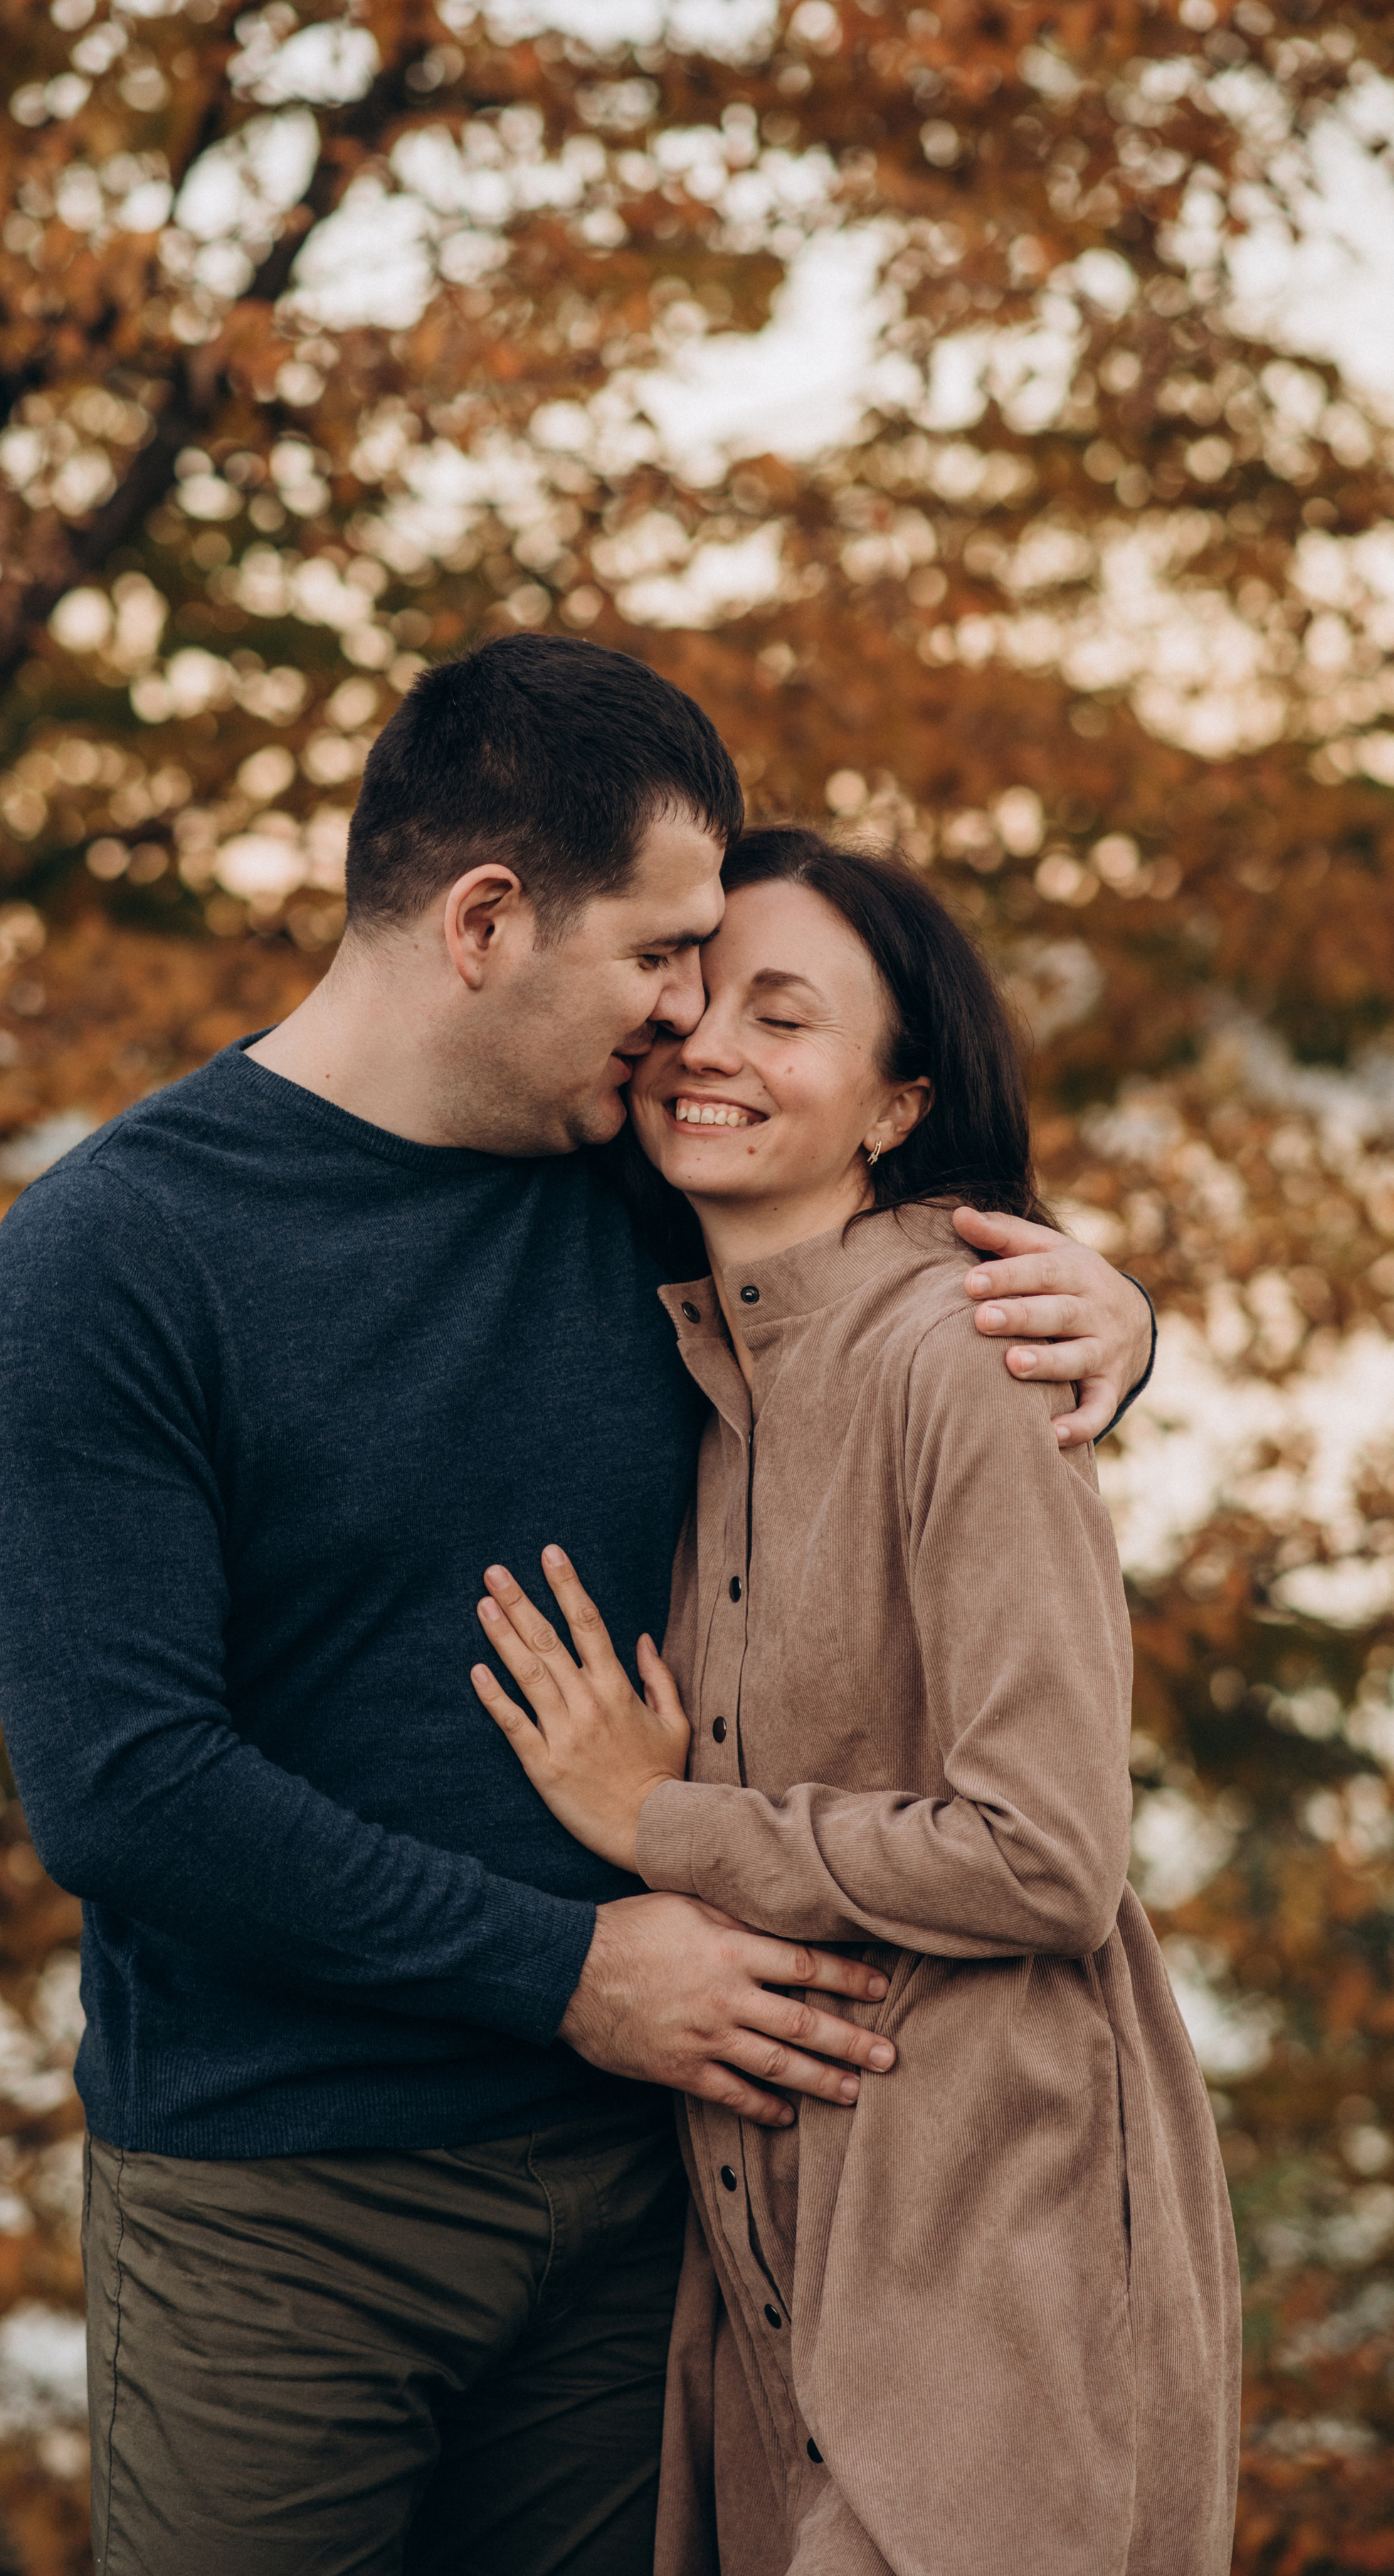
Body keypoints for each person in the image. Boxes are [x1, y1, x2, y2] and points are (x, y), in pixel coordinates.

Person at [0, 640, 1158, 2576]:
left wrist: (1116, 1320)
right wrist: (573, 1974)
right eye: (660, 955)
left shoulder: (637, 1188)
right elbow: (127, 1788)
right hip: (284, 2207)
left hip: (652, 2195)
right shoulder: (115, 1254)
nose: (688, 1014)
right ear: (486, 922)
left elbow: (881, 1289)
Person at [468, 823, 1239, 2576]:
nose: (712, 1047)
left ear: (897, 1104)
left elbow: (1047, 1853)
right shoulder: (712, 1367)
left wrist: (657, 1822)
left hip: (988, 2265)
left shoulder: (964, 1352)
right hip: (770, 2277)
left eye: (785, 1015)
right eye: (692, 1000)